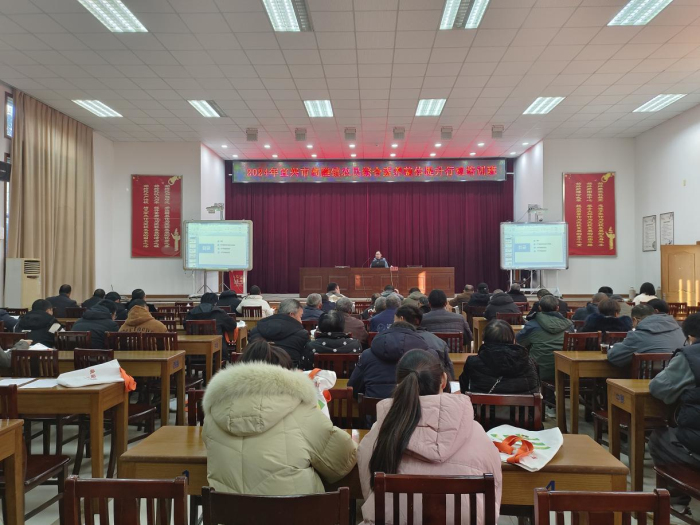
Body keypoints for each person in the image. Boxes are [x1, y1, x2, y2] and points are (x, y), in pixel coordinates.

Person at [357, 350, 502, 524]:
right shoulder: (477, 433)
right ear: (443, 380)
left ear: (399, 384)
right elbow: (494, 493)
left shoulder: (379, 433)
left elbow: (369, 490)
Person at [202, 339, 357, 497]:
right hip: (295, 509)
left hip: (228, 511)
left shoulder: (213, 415)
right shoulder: (302, 412)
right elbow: (343, 460)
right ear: (286, 375)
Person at [648, 314, 700, 510]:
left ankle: (677, 498)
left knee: (658, 437)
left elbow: (659, 388)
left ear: (691, 337)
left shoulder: (691, 356)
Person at [348, 319, 437, 399]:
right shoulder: (428, 356)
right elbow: (436, 390)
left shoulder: (367, 355)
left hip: (375, 410)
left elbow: (354, 388)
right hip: (417, 410)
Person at [460, 319, 540, 394]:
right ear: (513, 339)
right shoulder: (530, 362)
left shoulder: (473, 362)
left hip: (483, 404)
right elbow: (537, 388)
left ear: (484, 339)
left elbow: (464, 390)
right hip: (523, 404)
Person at [516, 294, 574, 382]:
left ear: (539, 308)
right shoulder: (569, 325)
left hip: (538, 371)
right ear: (557, 308)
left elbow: (518, 342)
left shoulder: (532, 325)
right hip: (565, 371)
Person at [608, 304, 685, 368]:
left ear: (634, 320)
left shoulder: (638, 336)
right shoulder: (680, 330)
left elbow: (614, 357)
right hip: (681, 378)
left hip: (648, 380)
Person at [394, 304, 455, 379]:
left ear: (401, 319)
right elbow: (448, 369)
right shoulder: (439, 341)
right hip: (434, 381)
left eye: (394, 319)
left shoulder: (394, 341)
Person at [248, 298, 311, 369]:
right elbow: (305, 362)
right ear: (292, 315)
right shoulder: (302, 334)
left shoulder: (256, 330)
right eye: (300, 317)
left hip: (257, 371)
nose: (301, 321)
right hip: (289, 373)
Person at [186, 293, 237, 358]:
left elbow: (185, 326)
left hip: (194, 351)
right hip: (217, 351)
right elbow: (232, 325)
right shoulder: (219, 312)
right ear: (215, 303)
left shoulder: (191, 313)